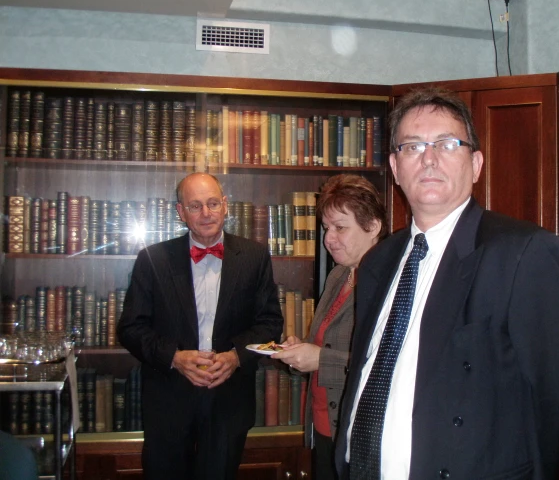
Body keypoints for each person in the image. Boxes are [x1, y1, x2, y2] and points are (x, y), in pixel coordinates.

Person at [334, 88, 559, 480]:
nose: (429, 158)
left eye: (447, 143)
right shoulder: (378, 262)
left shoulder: (523, 253)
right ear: (395, 166)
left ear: (475, 164)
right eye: (412, 146)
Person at [117, 172, 283, 480]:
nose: (206, 213)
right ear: (181, 212)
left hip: (228, 400)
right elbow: (130, 328)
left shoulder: (254, 256)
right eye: (195, 206)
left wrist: (235, 357)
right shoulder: (152, 259)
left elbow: (271, 324)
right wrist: (175, 358)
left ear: (225, 206)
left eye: (212, 203)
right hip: (168, 400)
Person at [271, 174, 387, 480]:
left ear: (373, 226)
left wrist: (318, 358)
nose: (328, 239)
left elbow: (385, 365)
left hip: (357, 431)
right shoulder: (339, 275)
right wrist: (300, 351)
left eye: (340, 227)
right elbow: (326, 344)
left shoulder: (389, 284)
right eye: (325, 228)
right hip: (322, 426)